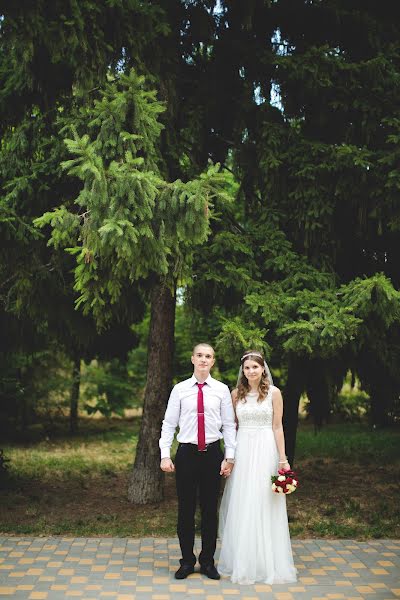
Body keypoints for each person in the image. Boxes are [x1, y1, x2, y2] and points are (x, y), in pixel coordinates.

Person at [218, 350, 297, 585]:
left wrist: (283, 459)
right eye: (247, 367)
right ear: (242, 371)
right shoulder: (235, 394)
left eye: (255, 367)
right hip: (242, 449)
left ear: (263, 369)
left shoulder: (274, 393)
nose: (251, 371)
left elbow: (277, 427)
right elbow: (230, 427)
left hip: (265, 449)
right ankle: (243, 560)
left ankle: (267, 562)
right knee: (244, 500)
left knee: (264, 500)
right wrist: (229, 456)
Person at [159, 343, 236, 580]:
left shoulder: (222, 390)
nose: (204, 359)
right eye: (200, 355)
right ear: (192, 359)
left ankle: (207, 561)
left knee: (209, 510)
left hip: (213, 454)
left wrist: (229, 456)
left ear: (213, 361)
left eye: (208, 356)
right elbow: (169, 423)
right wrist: (164, 453)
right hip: (187, 455)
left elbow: (229, 424)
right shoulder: (180, 389)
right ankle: (187, 561)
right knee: (186, 509)